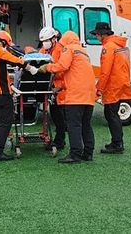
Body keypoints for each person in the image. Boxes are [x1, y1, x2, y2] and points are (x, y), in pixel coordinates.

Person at [39, 31, 96, 164]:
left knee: (74, 125)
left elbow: (62, 66)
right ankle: (88, 153)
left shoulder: (68, 49)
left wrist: (47, 67)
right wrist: (60, 87)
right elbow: (76, 75)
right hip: (88, 94)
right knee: (86, 125)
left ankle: (75, 154)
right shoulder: (83, 52)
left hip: (75, 96)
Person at [0, 30, 37, 161]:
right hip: (1, 92)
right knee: (6, 121)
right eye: (6, 44)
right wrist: (30, 68)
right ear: (3, 42)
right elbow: (15, 60)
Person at [91, 22, 131, 154]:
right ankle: (117, 142)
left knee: (111, 115)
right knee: (113, 114)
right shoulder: (121, 46)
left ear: (102, 35)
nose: (96, 37)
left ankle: (117, 143)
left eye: (97, 35)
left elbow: (105, 71)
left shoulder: (108, 48)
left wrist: (99, 88)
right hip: (122, 83)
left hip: (112, 85)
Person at [38, 26, 66, 155]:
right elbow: (39, 59)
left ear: (54, 39)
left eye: (47, 40)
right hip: (52, 87)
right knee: (56, 115)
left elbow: (61, 68)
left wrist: (48, 68)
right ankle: (59, 139)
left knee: (59, 116)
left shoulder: (60, 50)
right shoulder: (45, 49)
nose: (45, 43)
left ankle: (60, 141)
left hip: (61, 88)